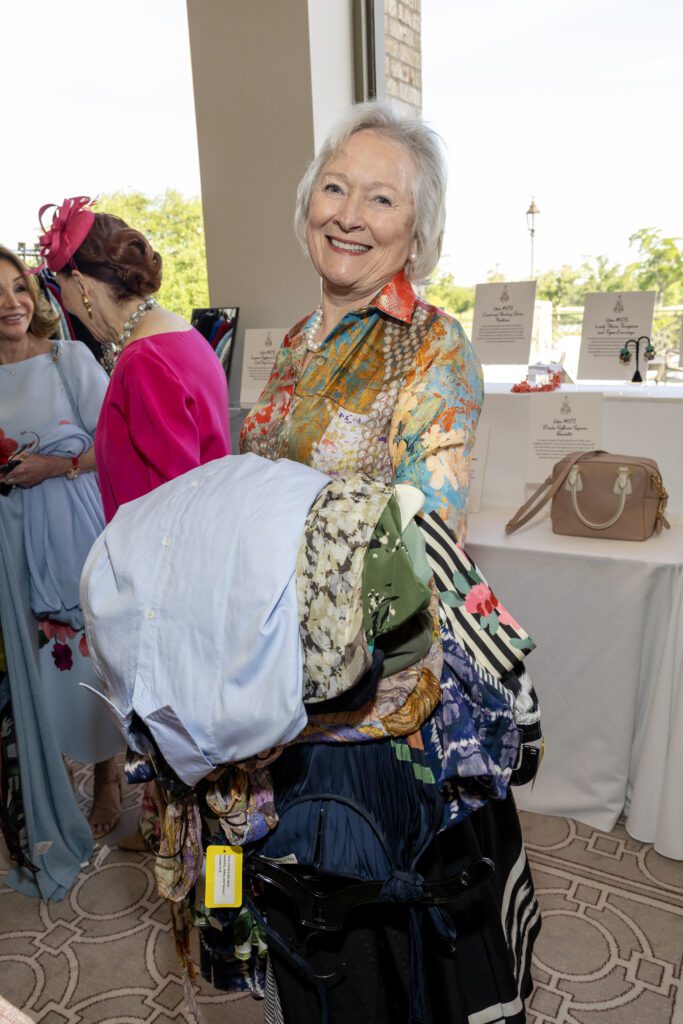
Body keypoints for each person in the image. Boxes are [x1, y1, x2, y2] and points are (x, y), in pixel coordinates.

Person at [239, 103, 540, 1022]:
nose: (348, 214)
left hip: (372, 696)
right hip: (277, 674)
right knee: (307, 928)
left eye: (380, 198)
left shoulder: (432, 345)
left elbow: (423, 533)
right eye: (334, 187)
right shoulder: (292, 346)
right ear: (305, 205)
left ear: (417, 228)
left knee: (378, 935)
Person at [37, 196, 232, 848]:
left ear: (85, 285)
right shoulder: (176, 335)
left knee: (181, 735)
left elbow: (174, 501)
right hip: (189, 572)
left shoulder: (145, 361)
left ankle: (198, 870)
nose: (62, 303)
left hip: (171, 588)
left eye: (61, 288)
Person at [0, 246, 122, 899]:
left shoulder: (70, 359)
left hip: (75, 526)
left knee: (91, 658)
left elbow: (114, 446)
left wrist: (54, 466)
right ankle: (53, 781)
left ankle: (107, 773)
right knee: (39, 667)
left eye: (17, 287)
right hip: (10, 538)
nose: (11, 303)